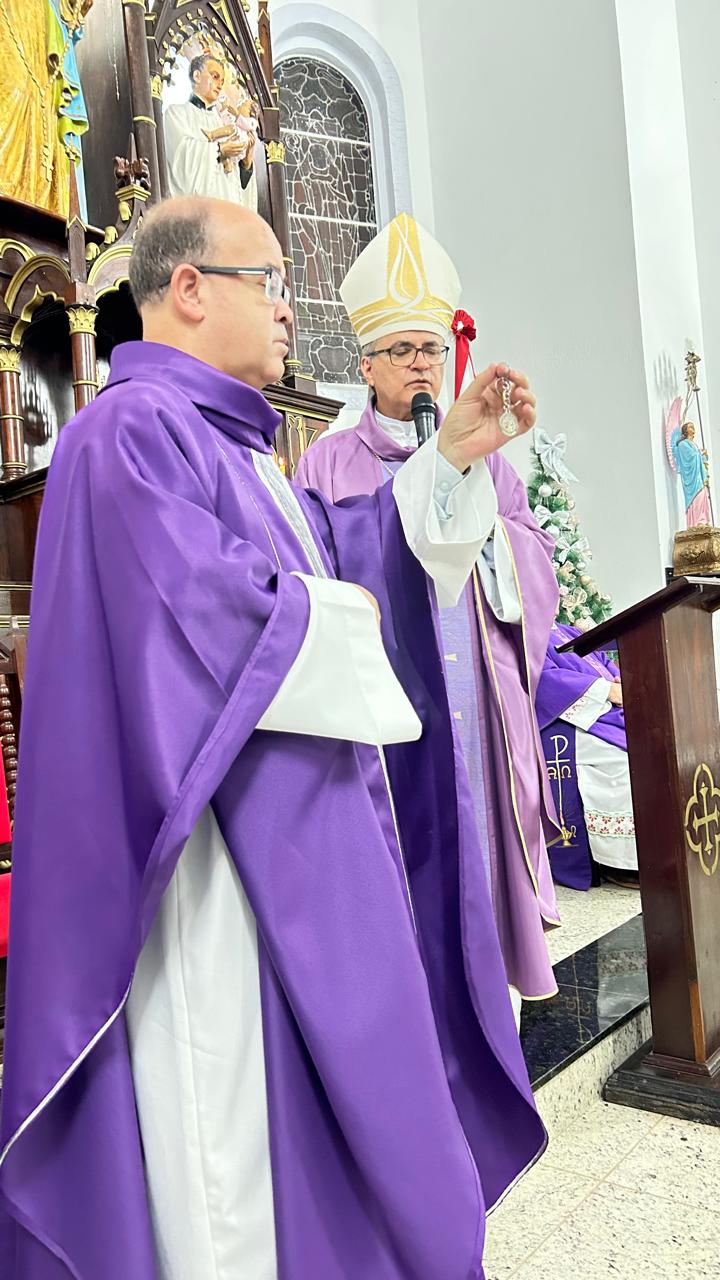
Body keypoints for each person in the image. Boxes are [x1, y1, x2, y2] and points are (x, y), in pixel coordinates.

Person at [0, 196, 547, 1280]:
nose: (291, 311)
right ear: (190, 289)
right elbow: (215, 620)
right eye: (271, 281)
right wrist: (331, 612)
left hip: (289, 858)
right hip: (212, 881)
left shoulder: (237, 449)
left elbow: (346, 567)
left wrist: (443, 465)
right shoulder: (127, 431)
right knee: (232, 1166)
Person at [296, 213, 562, 1007]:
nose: (422, 366)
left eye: (433, 350)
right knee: (404, 867)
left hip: (474, 692)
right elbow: (321, 570)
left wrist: (480, 531)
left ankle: (494, 1011)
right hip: (390, 693)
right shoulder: (328, 459)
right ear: (367, 364)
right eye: (403, 351)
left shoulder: (483, 454)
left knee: (478, 843)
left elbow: (533, 558)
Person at [536, 621, 637, 889]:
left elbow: (604, 663)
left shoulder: (570, 631)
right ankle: (624, 863)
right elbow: (542, 680)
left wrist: (620, 678)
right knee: (626, 761)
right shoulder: (526, 633)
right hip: (571, 721)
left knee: (661, 746)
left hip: (607, 713)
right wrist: (607, 690)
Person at [164, 53, 257, 210]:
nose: (220, 85)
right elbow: (180, 158)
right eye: (215, 77)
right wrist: (219, 150)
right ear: (197, 76)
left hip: (227, 218)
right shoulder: (176, 113)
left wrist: (246, 165)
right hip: (196, 216)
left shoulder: (223, 121)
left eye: (222, 81)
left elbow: (237, 187)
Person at [671, 420, 713, 527]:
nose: (693, 429)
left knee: (703, 494)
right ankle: (697, 521)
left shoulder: (693, 444)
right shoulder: (682, 444)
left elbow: (699, 458)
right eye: (690, 427)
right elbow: (689, 458)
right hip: (691, 477)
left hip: (698, 474)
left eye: (693, 427)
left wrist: (703, 455)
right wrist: (699, 453)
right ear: (685, 430)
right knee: (697, 496)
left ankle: (703, 519)